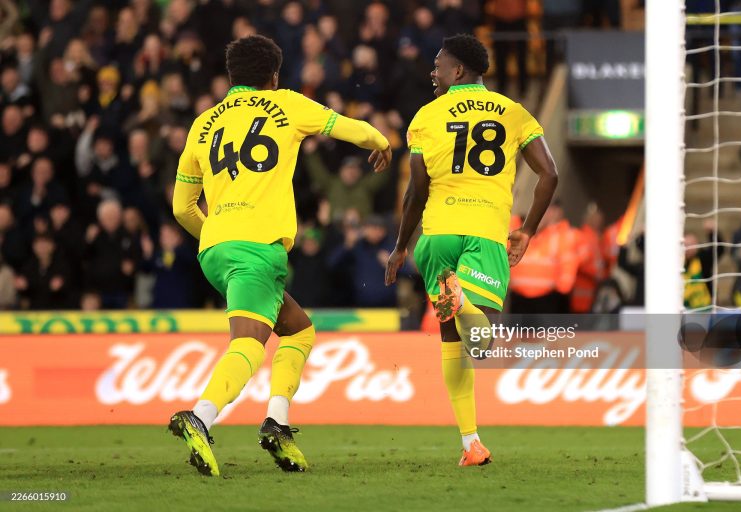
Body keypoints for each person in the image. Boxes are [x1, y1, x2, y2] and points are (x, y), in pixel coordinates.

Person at [169, 35, 392, 476]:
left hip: (214, 249)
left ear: (232, 76)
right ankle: (200, 416)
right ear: (273, 77)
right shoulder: (287, 104)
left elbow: (180, 206)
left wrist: (216, 233)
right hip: (257, 247)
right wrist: (382, 143)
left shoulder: (202, 123)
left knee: (299, 331)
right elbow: (354, 129)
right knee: (249, 343)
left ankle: (277, 423)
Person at [385, 34, 557, 466]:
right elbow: (549, 174)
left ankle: (470, 443)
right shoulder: (514, 113)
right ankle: (463, 302)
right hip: (484, 231)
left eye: (439, 64)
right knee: (481, 342)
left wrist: (402, 246)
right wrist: (528, 230)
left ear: (458, 70)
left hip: (437, 235)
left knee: (451, 340)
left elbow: (416, 190)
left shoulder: (425, 117)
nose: (432, 71)